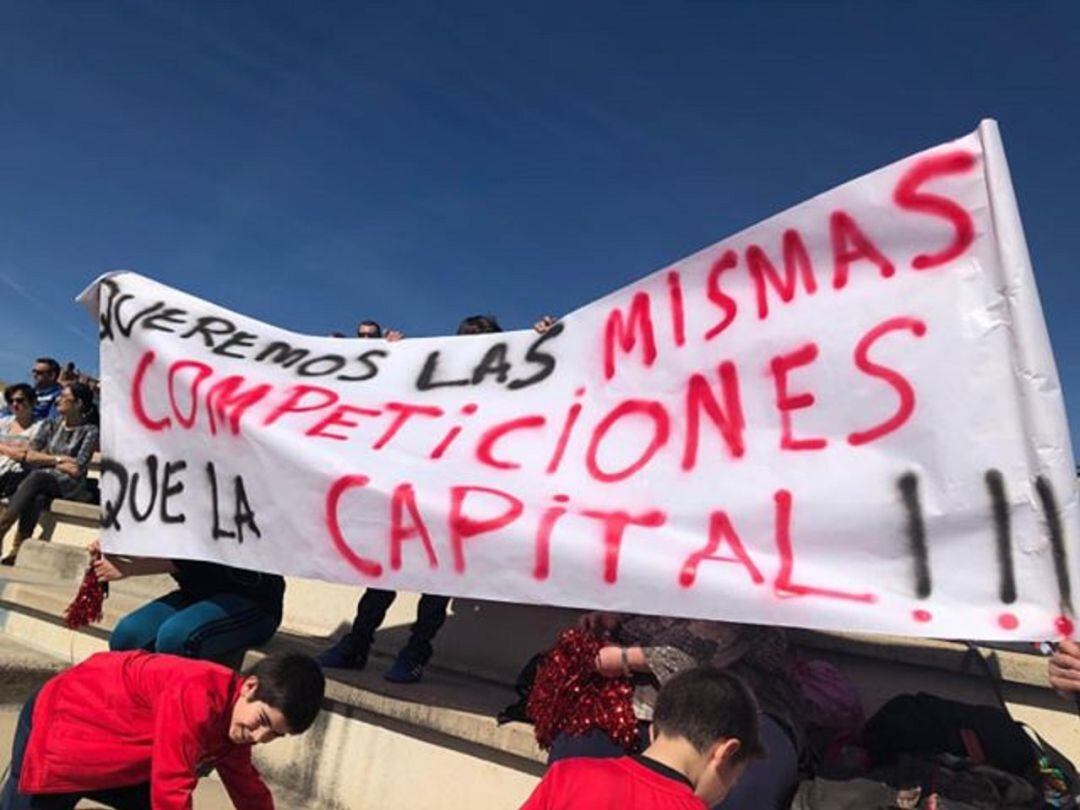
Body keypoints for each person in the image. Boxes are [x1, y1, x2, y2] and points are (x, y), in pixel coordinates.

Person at [319, 313, 546, 683]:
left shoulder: (507, 391)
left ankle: (416, 650)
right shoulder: (439, 382)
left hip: (462, 500)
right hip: (419, 492)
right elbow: (392, 399)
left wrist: (545, 342)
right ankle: (357, 641)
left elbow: (546, 387)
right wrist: (393, 359)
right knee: (385, 572)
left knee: (439, 581)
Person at [0, 650, 324, 810]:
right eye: (263, 722)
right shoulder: (197, 693)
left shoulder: (236, 718)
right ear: (250, 686)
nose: (258, 738)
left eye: (274, 735)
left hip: (114, 748)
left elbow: (246, 786)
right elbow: (172, 785)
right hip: (64, 723)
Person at [545, 613, 802, 810]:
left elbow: (697, 648)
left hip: (739, 702)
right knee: (577, 761)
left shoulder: (745, 563)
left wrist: (622, 658)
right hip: (631, 699)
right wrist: (613, 615)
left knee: (745, 793)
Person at [522, 667, 762, 810]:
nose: (729, 789)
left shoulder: (568, 775)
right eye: (735, 778)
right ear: (725, 752)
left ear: (654, 730)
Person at [93, 540, 285, 663]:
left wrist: (130, 568)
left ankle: (172, 714)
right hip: (197, 594)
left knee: (176, 637)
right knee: (127, 636)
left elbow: (201, 557)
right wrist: (115, 542)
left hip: (254, 600)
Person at [0, 382, 99, 565]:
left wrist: (45, 459)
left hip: (71, 485)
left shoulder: (89, 431)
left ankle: (2, 526)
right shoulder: (50, 425)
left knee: (37, 478)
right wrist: (59, 460)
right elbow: (29, 455)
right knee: (36, 495)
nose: (58, 400)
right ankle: (17, 549)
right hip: (44, 480)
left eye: (64, 397)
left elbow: (77, 469)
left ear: (78, 403)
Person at [0, 385, 44, 498]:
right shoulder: (3, 423)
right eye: (11, 400)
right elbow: (18, 453)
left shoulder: (40, 427)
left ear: (32, 401)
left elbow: (25, 455)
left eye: (19, 400)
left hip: (19, 474)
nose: (14, 404)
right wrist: (13, 452)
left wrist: (2, 448)